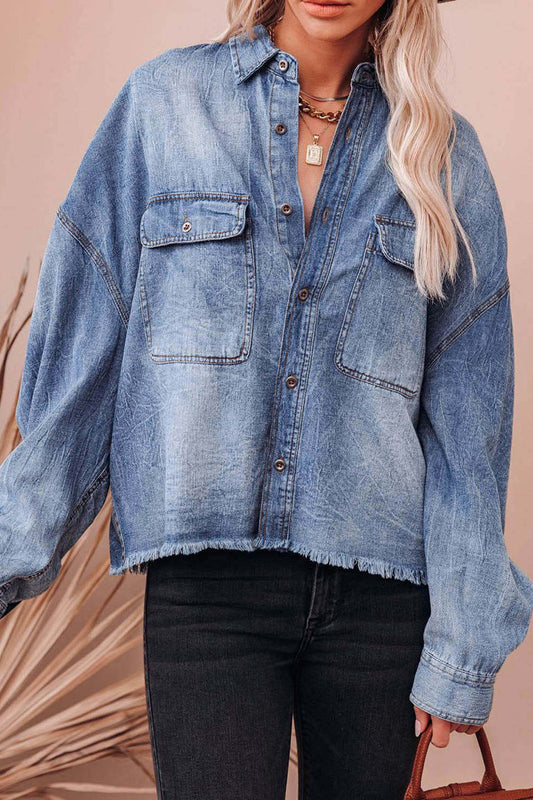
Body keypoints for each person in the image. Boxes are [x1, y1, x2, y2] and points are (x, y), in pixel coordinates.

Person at [1, 0, 532, 798]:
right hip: (209, 593)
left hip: (384, 603)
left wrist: (461, 644)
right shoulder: (164, 105)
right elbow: (84, 362)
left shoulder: (445, 154)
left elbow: (468, 426)